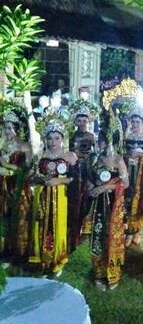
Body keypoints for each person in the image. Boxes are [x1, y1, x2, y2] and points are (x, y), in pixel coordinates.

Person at [30, 118, 77, 276]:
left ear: (62, 138)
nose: (53, 141)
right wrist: (40, 179)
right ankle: (43, 258)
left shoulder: (70, 156)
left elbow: (76, 179)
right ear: (45, 139)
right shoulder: (40, 155)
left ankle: (58, 258)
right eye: (50, 138)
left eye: (57, 138)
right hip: (42, 196)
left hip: (61, 198)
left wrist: (59, 180)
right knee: (42, 224)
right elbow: (31, 177)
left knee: (58, 225)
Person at [88, 125, 129, 291]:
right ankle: (98, 272)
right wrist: (92, 186)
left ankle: (113, 273)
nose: (102, 145)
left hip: (113, 204)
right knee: (98, 234)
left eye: (104, 142)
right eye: (100, 142)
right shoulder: (96, 158)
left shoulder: (119, 160)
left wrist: (105, 188)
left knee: (112, 236)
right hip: (98, 203)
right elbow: (90, 176)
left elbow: (125, 183)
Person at [0, 108, 32, 265]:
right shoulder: (3, 145)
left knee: (18, 218)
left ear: (18, 129)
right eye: (5, 128)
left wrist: (6, 164)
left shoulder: (25, 146)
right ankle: (5, 251)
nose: (7, 131)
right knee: (4, 218)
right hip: (3, 185)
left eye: (10, 128)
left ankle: (18, 252)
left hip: (17, 186)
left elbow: (27, 170)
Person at [68, 104, 96, 251]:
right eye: (79, 120)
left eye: (84, 120)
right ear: (75, 121)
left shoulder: (91, 137)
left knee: (85, 201)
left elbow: (94, 156)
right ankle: (72, 230)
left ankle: (81, 227)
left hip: (86, 172)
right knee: (73, 201)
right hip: (73, 171)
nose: (82, 123)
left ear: (88, 121)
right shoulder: (71, 136)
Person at [123, 106, 143, 247]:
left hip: (141, 174)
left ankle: (137, 231)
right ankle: (128, 231)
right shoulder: (126, 136)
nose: (135, 124)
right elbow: (120, 154)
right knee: (127, 200)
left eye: (138, 122)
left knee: (139, 200)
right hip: (128, 172)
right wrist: (129, 155)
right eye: (133, 121)